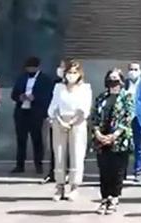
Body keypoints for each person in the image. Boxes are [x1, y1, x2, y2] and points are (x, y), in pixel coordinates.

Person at [90, 69, 134, 215]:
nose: (112, 81)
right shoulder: (101, 97)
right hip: (101, 140)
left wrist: (114, 135)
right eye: (110, 78)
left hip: (119, 140)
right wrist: (97, 133)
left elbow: (128, 117)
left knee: (117, 171)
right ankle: (104, 199)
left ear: (121, 81)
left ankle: (114, 198)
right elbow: (95, 117)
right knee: (104, 171)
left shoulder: (127, 96)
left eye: (115, 79)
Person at [47, 60, 92, 201]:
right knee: (59, 154)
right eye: (69, 72)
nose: (71, 75)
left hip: (77, 122)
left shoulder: (85, 88)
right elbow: (53, 106)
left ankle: (74, 187)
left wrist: (72, 122)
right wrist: (60, 121)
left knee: (77, 154)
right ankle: (59, 186)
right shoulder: (58, 88)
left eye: (74, 73)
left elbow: (85, 108)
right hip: (60, 121)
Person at [11, 56, 54, 175]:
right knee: (21, 139)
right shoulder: (21, 78)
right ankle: (19, 165)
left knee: (37, 139)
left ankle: (38, 164)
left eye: (32, 68)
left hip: (36, 113)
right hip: (21, 112)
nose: (30, 70)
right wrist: (20, 97)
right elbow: (14, 94)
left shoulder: (45, 80)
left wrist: (35, 98)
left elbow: (48, 96)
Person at [125, 62, 141, 183]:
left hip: (140, 118)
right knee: (123, 146)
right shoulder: (123, 84)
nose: (132, 71)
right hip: (125, 119)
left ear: (140, 71)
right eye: (130, 69)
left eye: (135, 69)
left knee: (139, 146)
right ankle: (122, 171)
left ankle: (138, 171)